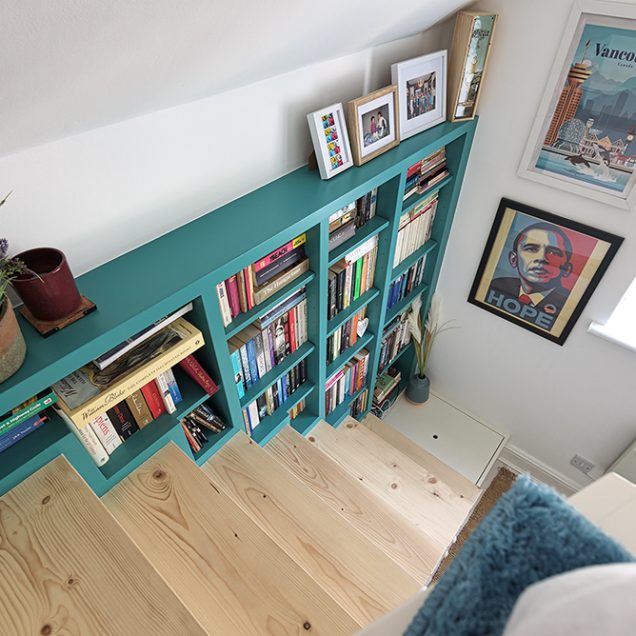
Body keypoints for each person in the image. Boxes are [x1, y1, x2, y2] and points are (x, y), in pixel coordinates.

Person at [486, 222, 574, 329]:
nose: (542, 258)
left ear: (567, 269)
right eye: (531, 249)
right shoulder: (497, 284)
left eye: (553, 252)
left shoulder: (569, 305)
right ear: (514, 259)